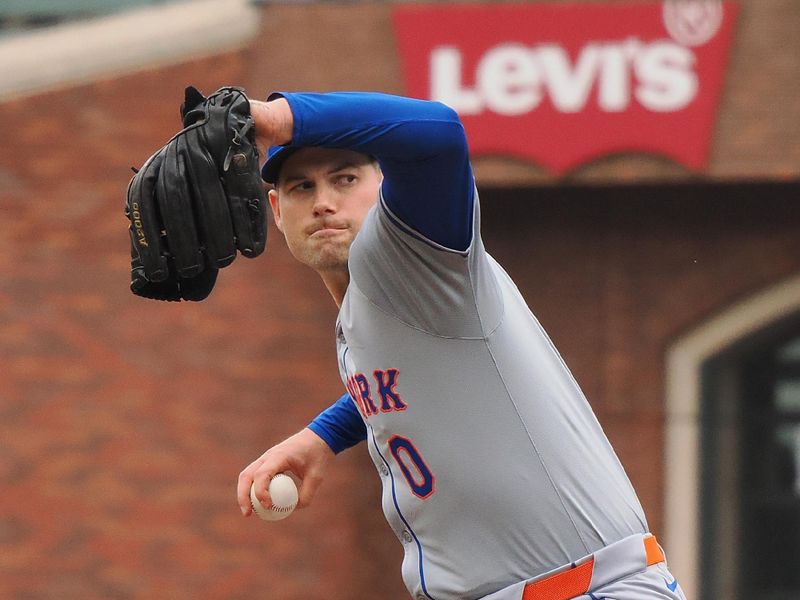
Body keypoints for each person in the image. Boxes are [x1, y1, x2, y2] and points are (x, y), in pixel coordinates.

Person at [235, 91, 685, 600]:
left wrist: (277, 118)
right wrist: (321, 436)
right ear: (275, 208)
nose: (322, 201)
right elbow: (419, 383)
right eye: (300, 186)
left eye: (345, 178)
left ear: (386, 186)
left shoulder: (413, 258)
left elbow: (440, 131)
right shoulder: (374, 307)